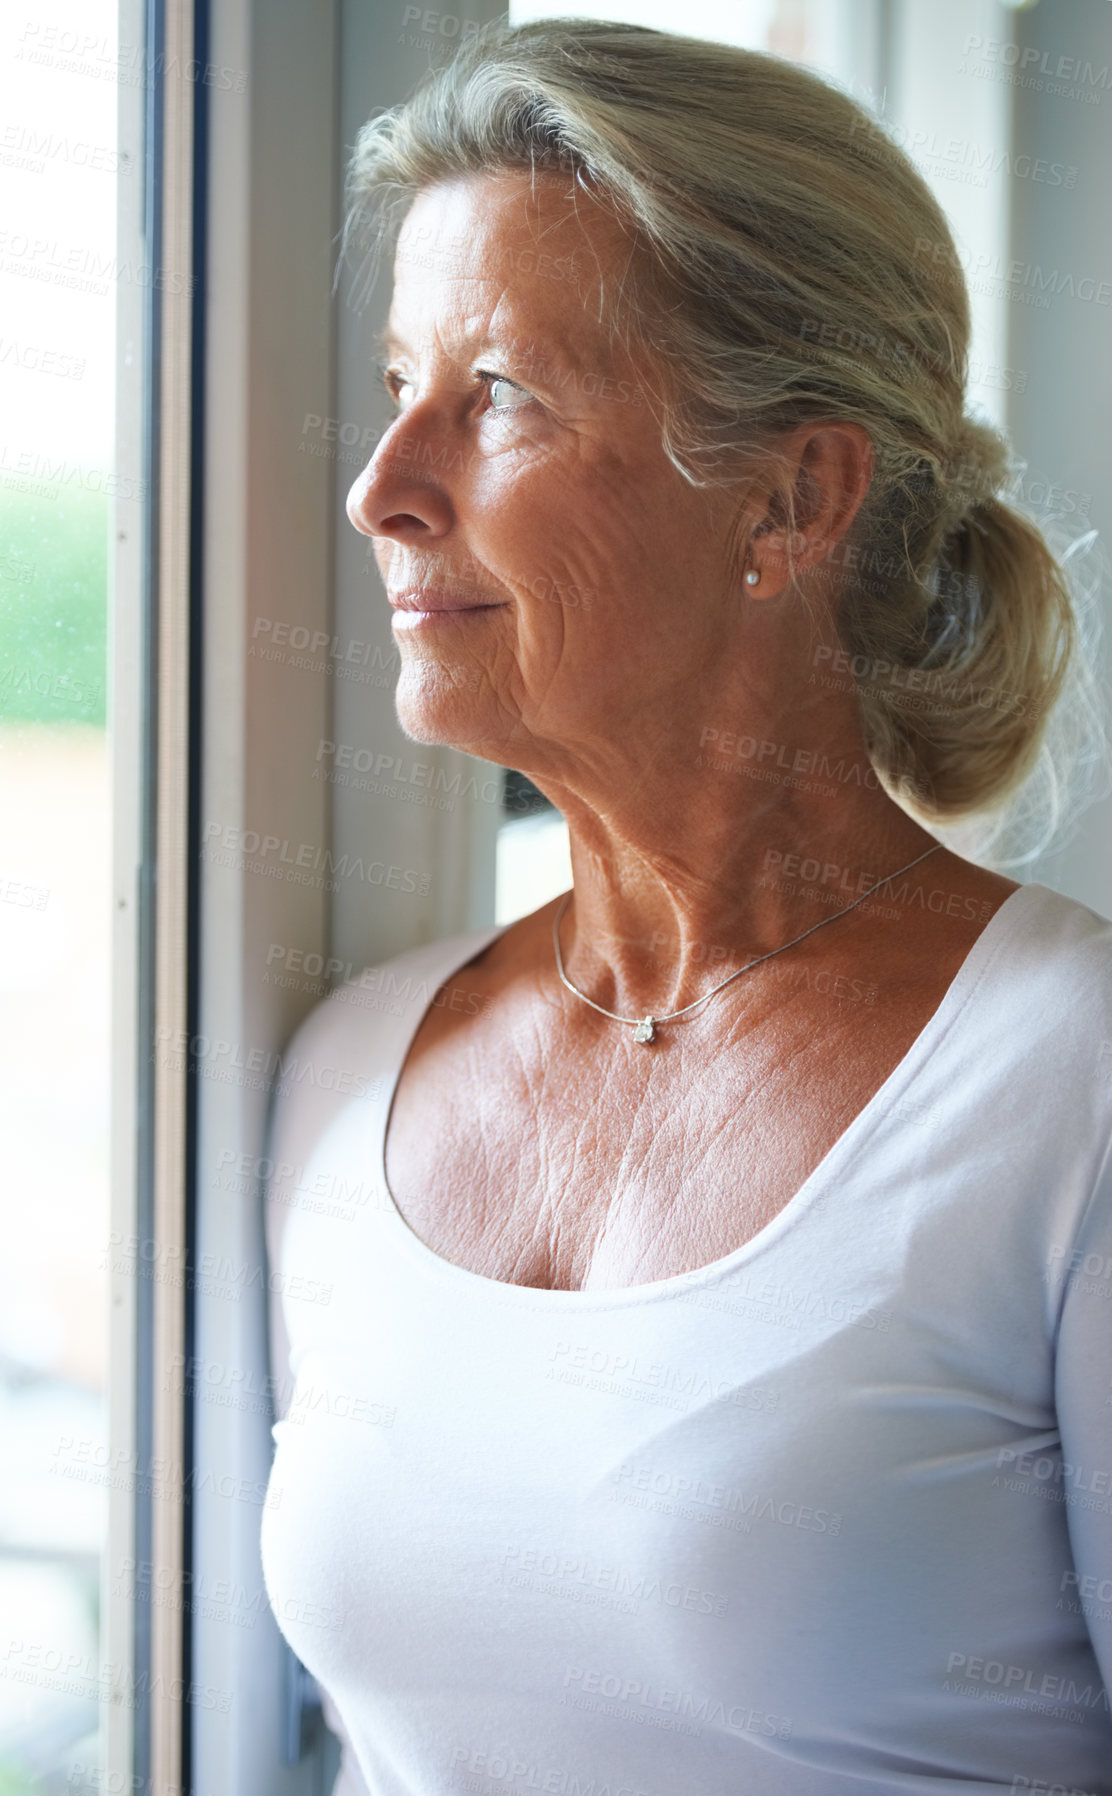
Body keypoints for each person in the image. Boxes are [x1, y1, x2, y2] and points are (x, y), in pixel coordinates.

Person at [260, 20, 1112, 1793]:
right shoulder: (350, 1068)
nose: (382, 485)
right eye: (402, 379)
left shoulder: (1071, 1085)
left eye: (496, 396)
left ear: (794, 496)